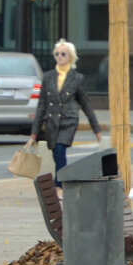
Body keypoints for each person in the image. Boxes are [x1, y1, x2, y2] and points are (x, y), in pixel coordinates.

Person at [29, 39, 102, 186]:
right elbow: (42, 105)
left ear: (70, 57)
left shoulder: (77, 78)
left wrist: (97, 130)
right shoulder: (48, 77)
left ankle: (59, 184)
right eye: (57, 54)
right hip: (51, 121)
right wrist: (34, 133)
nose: (59, 57)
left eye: (63, 54)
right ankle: (62, 181)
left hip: (68, 121)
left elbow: (86, 105)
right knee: (57, 153)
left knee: (60, 149)